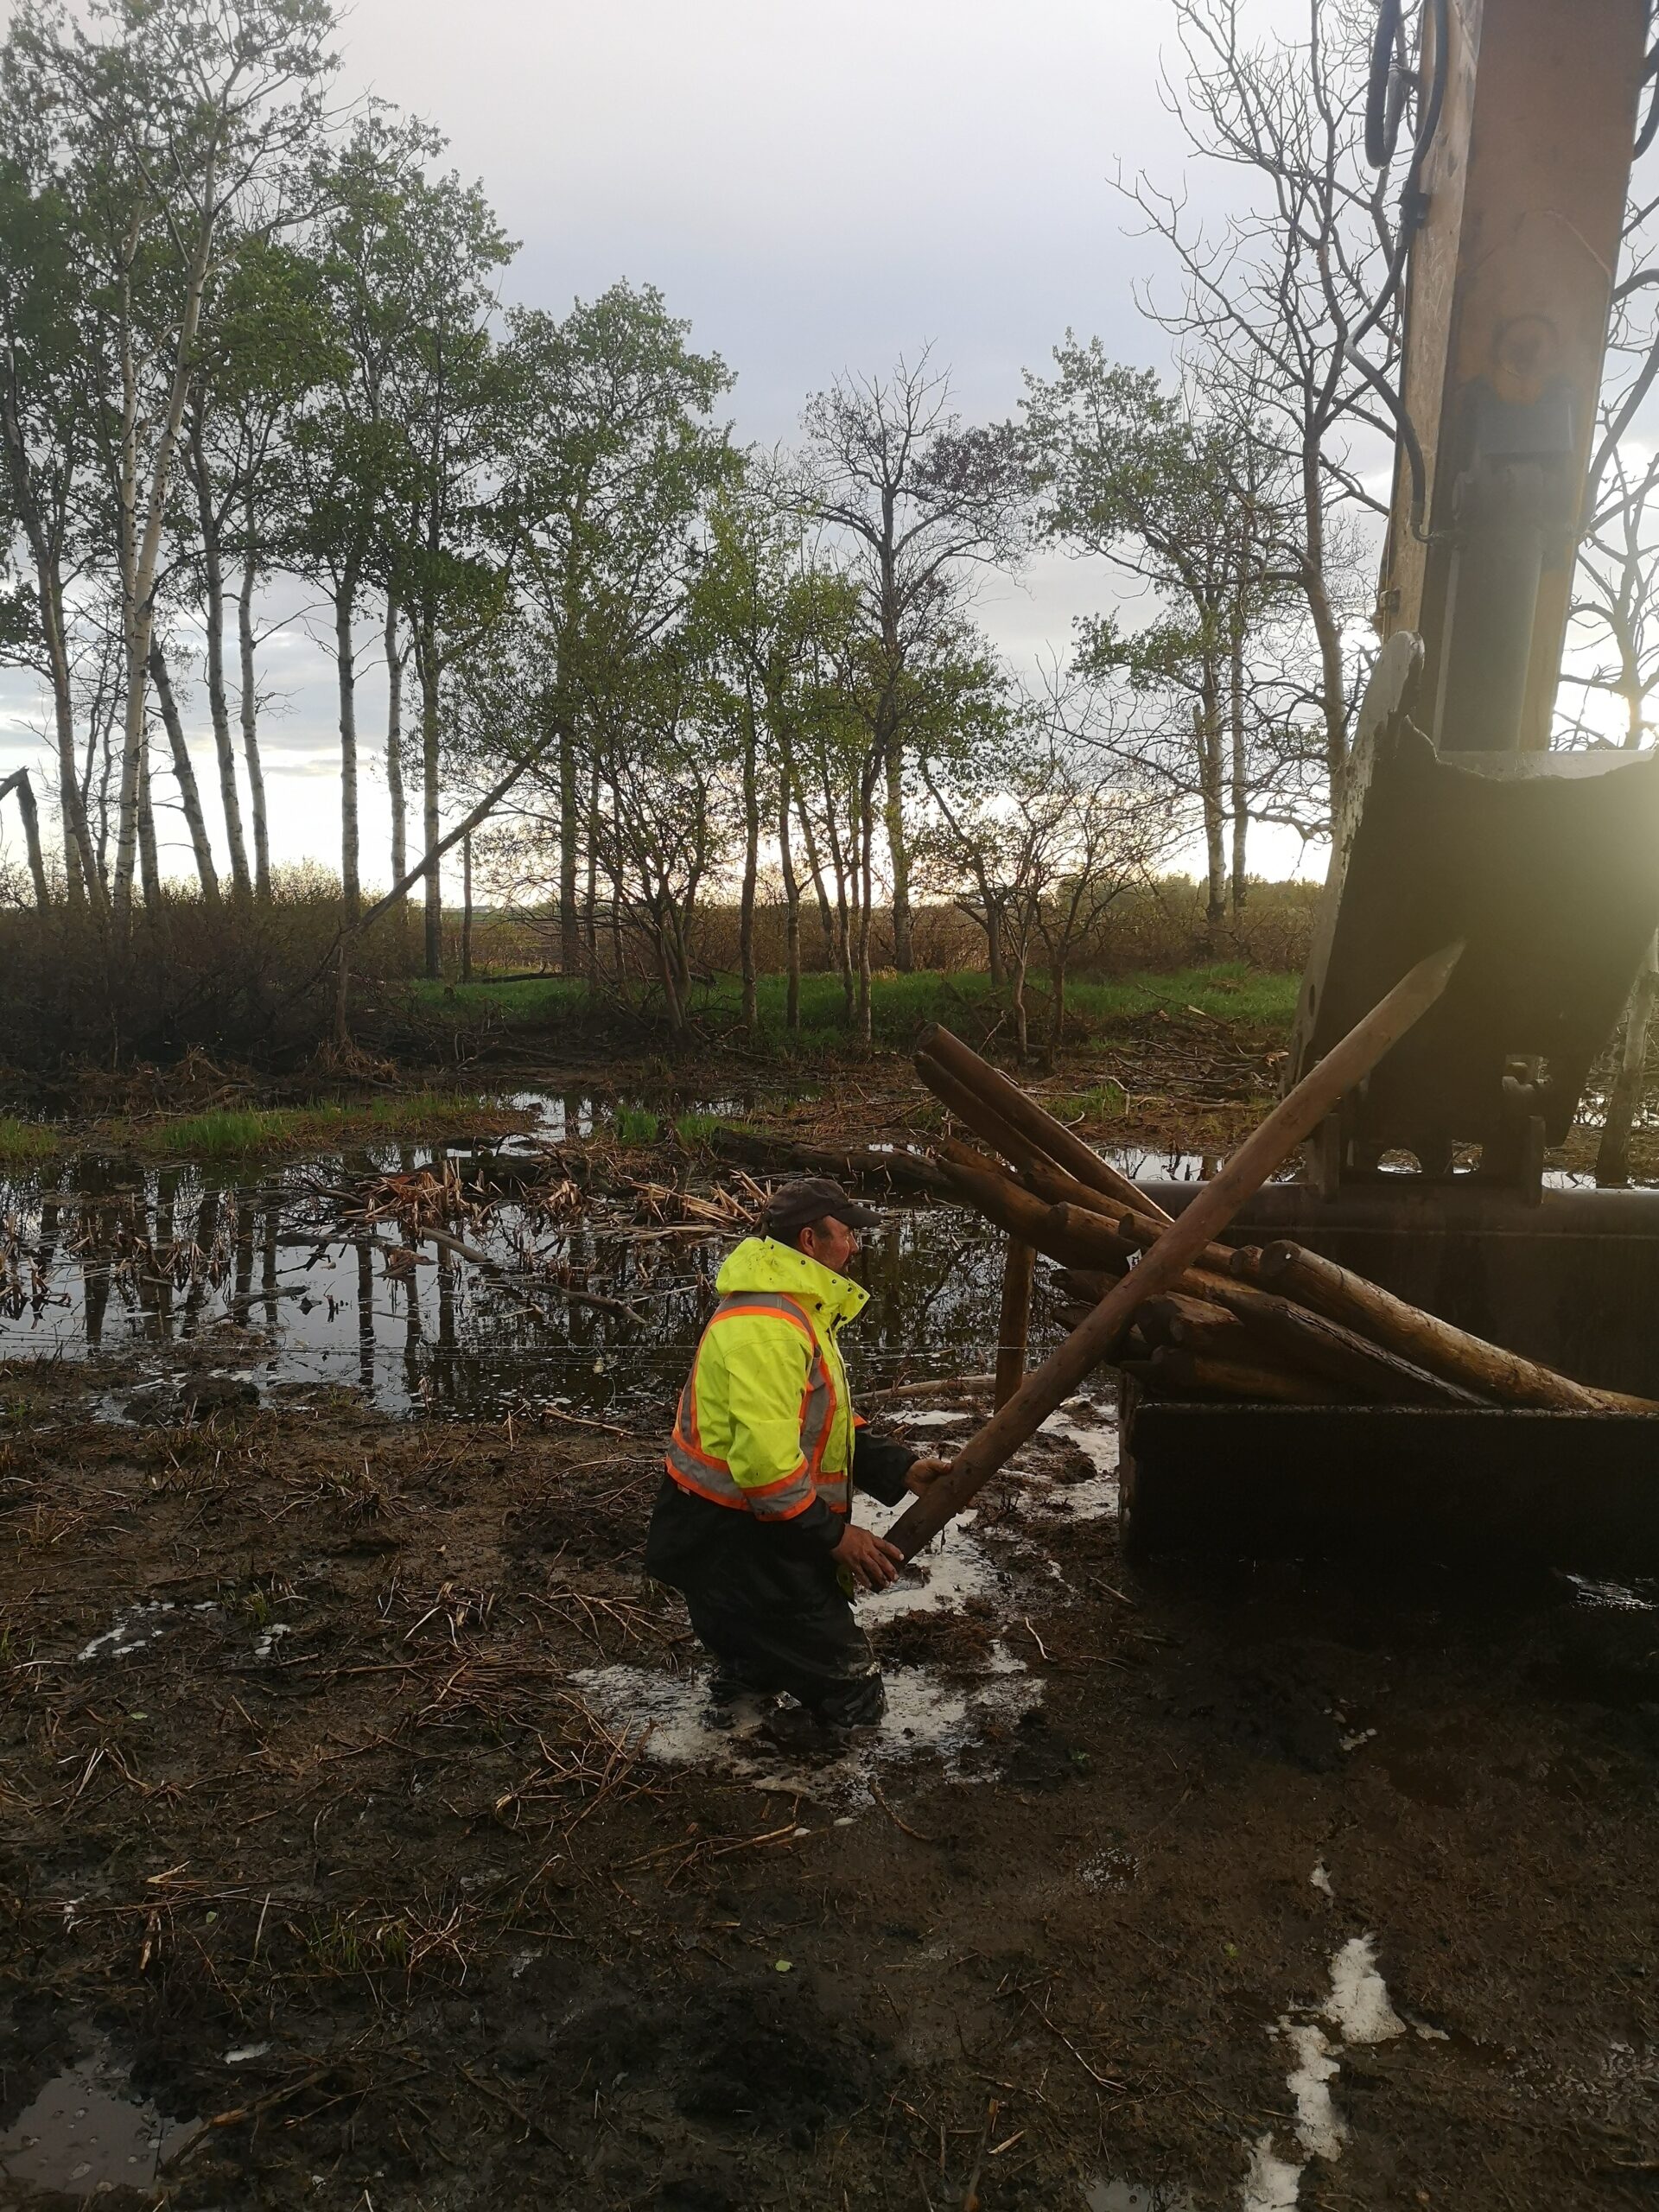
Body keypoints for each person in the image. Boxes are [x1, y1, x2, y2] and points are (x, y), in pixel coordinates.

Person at [644, 1177, 950, 1731]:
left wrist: (898, 1467)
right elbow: (766, 1467)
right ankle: (819, 1799)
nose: (855, 1246)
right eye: (847, 1234)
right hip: (741, 1550)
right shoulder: (769, 1327)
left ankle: (732, 1756)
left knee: (750, 1668)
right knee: (853, 1697)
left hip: (736, 1540)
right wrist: (836, 1537)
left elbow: (822, 1425)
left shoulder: (798, 1309)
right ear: (809, 1241)